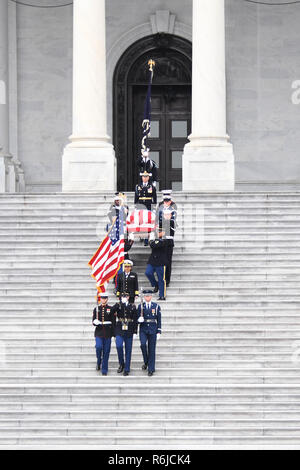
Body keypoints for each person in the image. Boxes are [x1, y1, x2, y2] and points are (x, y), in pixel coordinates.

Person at [137, 290, 162, 377]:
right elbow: (137, 318)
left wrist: (159, 331)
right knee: (143, 345)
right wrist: (138, 320)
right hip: (143, 329)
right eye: (146, 296)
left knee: (152, 349)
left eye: (149, 296)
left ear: (151, 296)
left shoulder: (156, 306)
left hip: (152, 329)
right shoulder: (140, 306)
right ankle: (146, 361)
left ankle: (151, 369)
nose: (147, 297)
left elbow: (159, 320)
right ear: (144, 297)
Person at [113, 293, 138, 376]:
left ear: (128, 297)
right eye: (122, 297)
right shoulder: (119, 305)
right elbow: (112, 311)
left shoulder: (132, 306)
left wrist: (135, 331)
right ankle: (121, 363)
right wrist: (119, 303)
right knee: (119, 345)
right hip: (120, 328)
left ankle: (127, 368)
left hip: (129, 328)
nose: (124, 298)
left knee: (128, 349)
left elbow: (135, 320)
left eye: (125, 296)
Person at [92, 293, 116, 376]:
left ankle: (104, 369)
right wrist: (95, 322)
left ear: (107, 299)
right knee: (98, 347)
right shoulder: (96, 308)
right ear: (100, 299)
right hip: (99, 332)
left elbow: (113, 322)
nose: (103, 300)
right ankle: (99, 361)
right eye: (102, 298)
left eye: (105, 298)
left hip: (108, 332)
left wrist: (114, 334)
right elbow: (93, 321)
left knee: (106, 351)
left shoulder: (111, 309)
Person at [134, 171, 157, 246]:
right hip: (140, 205)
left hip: (148, 205)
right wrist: (136, 205)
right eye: (143, 176)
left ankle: (147, 239)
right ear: (142, 177)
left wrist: (154, 206)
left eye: (146, 176)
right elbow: (136, 197)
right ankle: (142, 236)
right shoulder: (138, 186)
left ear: (148, 177)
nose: (145, 178)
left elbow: (154, 197)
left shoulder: (151, 186)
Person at [145, 230, 168, 300]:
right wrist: (151, 240)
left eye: (160, 231)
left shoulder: (165, 240)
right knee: (148, 273)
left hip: (161, 262)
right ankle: (156, 285)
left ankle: (162, 295)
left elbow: (156, 245)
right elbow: (152, 245)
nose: (159, 233)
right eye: (158, 231)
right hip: (152, 261)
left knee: (161, 279)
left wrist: (152, 241)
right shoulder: (154, 239)